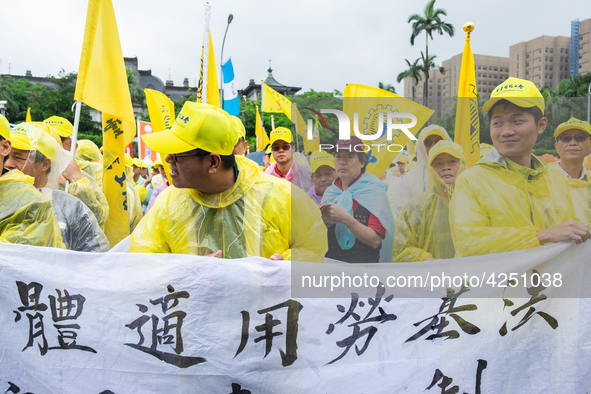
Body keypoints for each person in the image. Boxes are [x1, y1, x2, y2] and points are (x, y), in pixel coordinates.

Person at [131, 102, 327, 262]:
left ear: (213, 162)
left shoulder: (282, 196)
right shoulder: (168, 203)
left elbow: (314, 245)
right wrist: (184, 273)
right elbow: (142, 257)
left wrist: (288, 263)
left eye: (177, 155)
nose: (168, 160)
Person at [450, 77, 589, 257]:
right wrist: (542, 236)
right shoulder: (471, 181)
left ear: (541, 125)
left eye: (517, 121)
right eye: (498, 123)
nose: (506, 131)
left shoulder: (556, 181)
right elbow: (469, 242)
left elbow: (569, 232)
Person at [6, 124, 108, 252]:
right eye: (6, 156)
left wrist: (78, 182)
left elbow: (93, 252)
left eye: (18, 158)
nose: (7, 164)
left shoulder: (69, 206)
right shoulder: (5, 197)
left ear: (45, 163)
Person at [321, 137, 395, 263]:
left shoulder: (374, 193)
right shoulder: (331, 192)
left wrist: (345, 218)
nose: (342, 162)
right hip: (331, 268)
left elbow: (375, 241)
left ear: (362, 163)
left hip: (364, 271)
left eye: (349, 156)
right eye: (338, 156)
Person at [393, 140, 465, 262]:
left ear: (462, 164)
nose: (446, 167)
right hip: (433, 277)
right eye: (438, 163)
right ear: (430, 169)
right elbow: (401, 249)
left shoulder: (478, 199)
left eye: (452, 161)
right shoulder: (415, 207)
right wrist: (426, 260)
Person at [0, 116, 64, 247]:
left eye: (19, 158)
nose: (10, 164)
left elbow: (12, 261)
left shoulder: (32, 205)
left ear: (5, 147)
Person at [32, 122, 110, 229]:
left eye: (60, 139)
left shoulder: (84, 173)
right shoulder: (18, 171)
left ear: (74, 145)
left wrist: (76, 183)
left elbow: (99, 217)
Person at [391, 125, 451, 220]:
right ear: (421, 147)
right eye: (428, 143)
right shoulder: (409, 179)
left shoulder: (457, 173)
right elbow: (402, 215)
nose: (433, 146)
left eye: (439, 141)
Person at [550, 118, 591, 224]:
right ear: (556, 147)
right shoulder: (542, 180)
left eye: (580, 138)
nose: (573, 143)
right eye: (566, 138)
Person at [265, 127, 313, 192]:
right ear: (271, 151)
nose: (281, 150)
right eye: (276, 147)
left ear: (293, 148)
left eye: (285, 147)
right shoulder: (266, 176)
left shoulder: (308, 173)